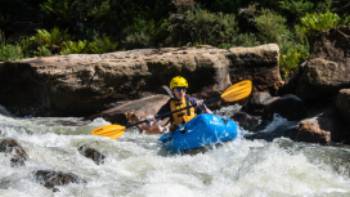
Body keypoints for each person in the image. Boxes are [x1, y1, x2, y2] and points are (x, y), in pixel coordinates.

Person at [139, 76, 212, 133]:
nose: (181, 92)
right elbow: (158, 118)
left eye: (183, 89)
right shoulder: (169, 105)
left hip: (193, 127)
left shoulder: (191, 100)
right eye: (178, 89)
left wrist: (202, 106)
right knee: (166, 128)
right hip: (179, 130)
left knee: (202, 116)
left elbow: (206, 114)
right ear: (173, 91)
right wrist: (151, 120)